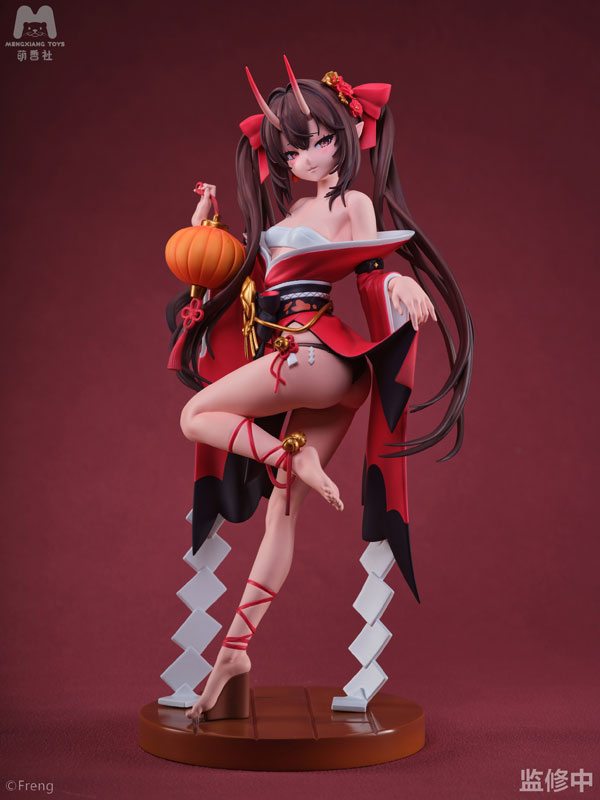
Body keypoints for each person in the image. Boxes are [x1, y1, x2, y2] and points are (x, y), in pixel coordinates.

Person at [165, 58, 474, 722]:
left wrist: (398, 281)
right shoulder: (289, 213)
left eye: (320, 140)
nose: (308, 157)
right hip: (313, 367)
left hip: (318, 352)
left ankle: (289, 453)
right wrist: (204, 229)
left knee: (196, 415)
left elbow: (370, 267)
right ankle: (234, 654)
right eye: (293, 149)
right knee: (282, 513)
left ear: (347, 135)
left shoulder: (349, 203)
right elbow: (226, 285)